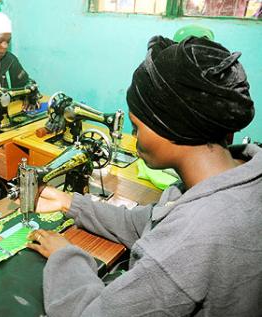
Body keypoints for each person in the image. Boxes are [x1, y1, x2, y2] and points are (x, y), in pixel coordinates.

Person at [25, 36, 262, 316]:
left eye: (137, 125)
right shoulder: (240, 175)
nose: (133, 135)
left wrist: (65, 255)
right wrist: (72, 204)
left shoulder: (189, 242)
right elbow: (147, 223)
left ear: (171, 126)